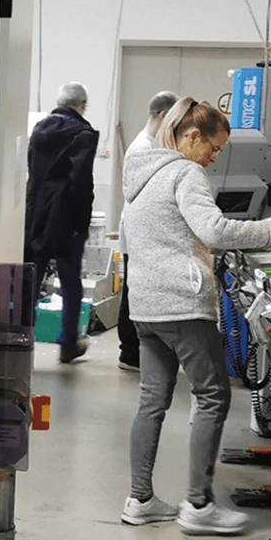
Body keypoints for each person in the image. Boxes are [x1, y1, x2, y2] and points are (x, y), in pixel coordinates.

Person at [117, 97, 271, 535]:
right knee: (212, 396)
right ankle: (199, 506)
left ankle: (140, 499)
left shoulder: (143, 170)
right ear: (191, 137)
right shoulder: (185, 172)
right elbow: (215, 230)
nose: (215, 157)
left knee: (151, 401)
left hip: (146, 305)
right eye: (214, 148)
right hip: (182, 305)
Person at [26, 82, 99, 363]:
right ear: (82, 106)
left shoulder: (39, 130)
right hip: (66, 219)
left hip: (35, 216)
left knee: (30, 281)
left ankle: (21, 340)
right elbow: (80, 184)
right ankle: (68, 343)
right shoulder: (83, 134)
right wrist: (82, 223)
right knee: (70, 282)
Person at [115, 91, 180, 371]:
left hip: (144, 234)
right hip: (140, 234)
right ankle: (130, 354)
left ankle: (135, 352)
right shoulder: (144, 148)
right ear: (163, 116)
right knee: (134, 295)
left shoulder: (154, 145)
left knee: (137, 292)